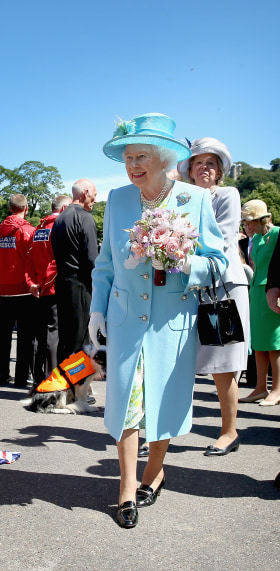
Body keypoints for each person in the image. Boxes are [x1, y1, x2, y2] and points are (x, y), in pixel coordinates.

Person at [91, 112, 227, 529]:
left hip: (173, 321)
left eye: (142, 156)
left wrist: (187, 260)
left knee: (163, 405)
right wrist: (98, 308)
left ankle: (155, 472)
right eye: (128, 157)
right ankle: (127, 488)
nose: (133, 166)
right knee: (128, 401)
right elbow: (106, 264)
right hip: (127, 318)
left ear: (164, 158)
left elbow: (220, 264)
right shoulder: (117, 200)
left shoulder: (195, 199)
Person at [177, 138, 249, 453]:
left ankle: (229, 432)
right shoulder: (181, 198)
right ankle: (167, 429)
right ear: (189, 169)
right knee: (180, 360)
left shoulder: (227, 194)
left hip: (223, 286)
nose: (204, 168)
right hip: (191, 287)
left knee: (223, 362)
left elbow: (222, 237)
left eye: (211, 163)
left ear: (219, 170)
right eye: (198, 162)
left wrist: (176, 247)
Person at [52, 179, 99, 362]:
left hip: (62, 282)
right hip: (80, 284)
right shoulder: (85, 217)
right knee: (81, 339)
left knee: (65, 337)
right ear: (86, 192)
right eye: (94, 195)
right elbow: (92, 259)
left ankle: (64, 383)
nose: (95, 200)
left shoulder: (60, 219)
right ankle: (76, 386)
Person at [26, 194, 71, 384]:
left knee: (41, 333)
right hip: (52, 287)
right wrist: (44, 283)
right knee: (53, 333)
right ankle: (52, 377)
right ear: (63, 209)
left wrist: (31, 283)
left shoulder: (38, 229)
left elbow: (29, 259)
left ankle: (38, 375)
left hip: (38, 288)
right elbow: (57, 262)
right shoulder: (59, 228)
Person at [240, 199, 280, 406]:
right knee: (259, 343)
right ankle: (260, 388)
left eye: (250, 222)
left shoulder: (277, 234)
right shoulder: (256, 238)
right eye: (245, 223)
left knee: (274, 344)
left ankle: (277, 390)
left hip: (272, 291)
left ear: (263, 219)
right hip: (255, 291)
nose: (247, 226)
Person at [0, 194, 36, 388]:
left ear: (10, 208)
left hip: (5, 289)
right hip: (24, 289)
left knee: (4, 334)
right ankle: (21, 377)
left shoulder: (0, 231)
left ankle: (2, 374)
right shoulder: (28, 231)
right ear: (26, 208)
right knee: (25, 336)